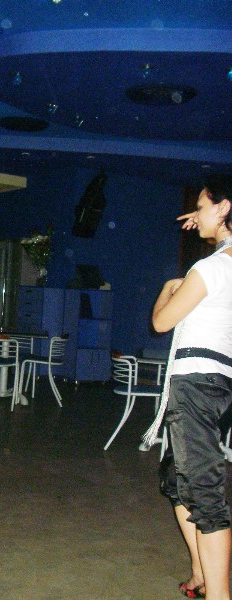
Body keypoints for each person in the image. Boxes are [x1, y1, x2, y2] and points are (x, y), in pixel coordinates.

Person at [149, 176, 232, 600]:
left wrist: (168, 289)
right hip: (218, 383)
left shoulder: (209, 269)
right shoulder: (224, 262)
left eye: (201, 206)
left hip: (196, 384)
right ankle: (201, 571)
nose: (194, 214)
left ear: (224, 207)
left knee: (204, 493)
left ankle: (219, 593)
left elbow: (162, 322)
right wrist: (208, 223)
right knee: (176, 479)